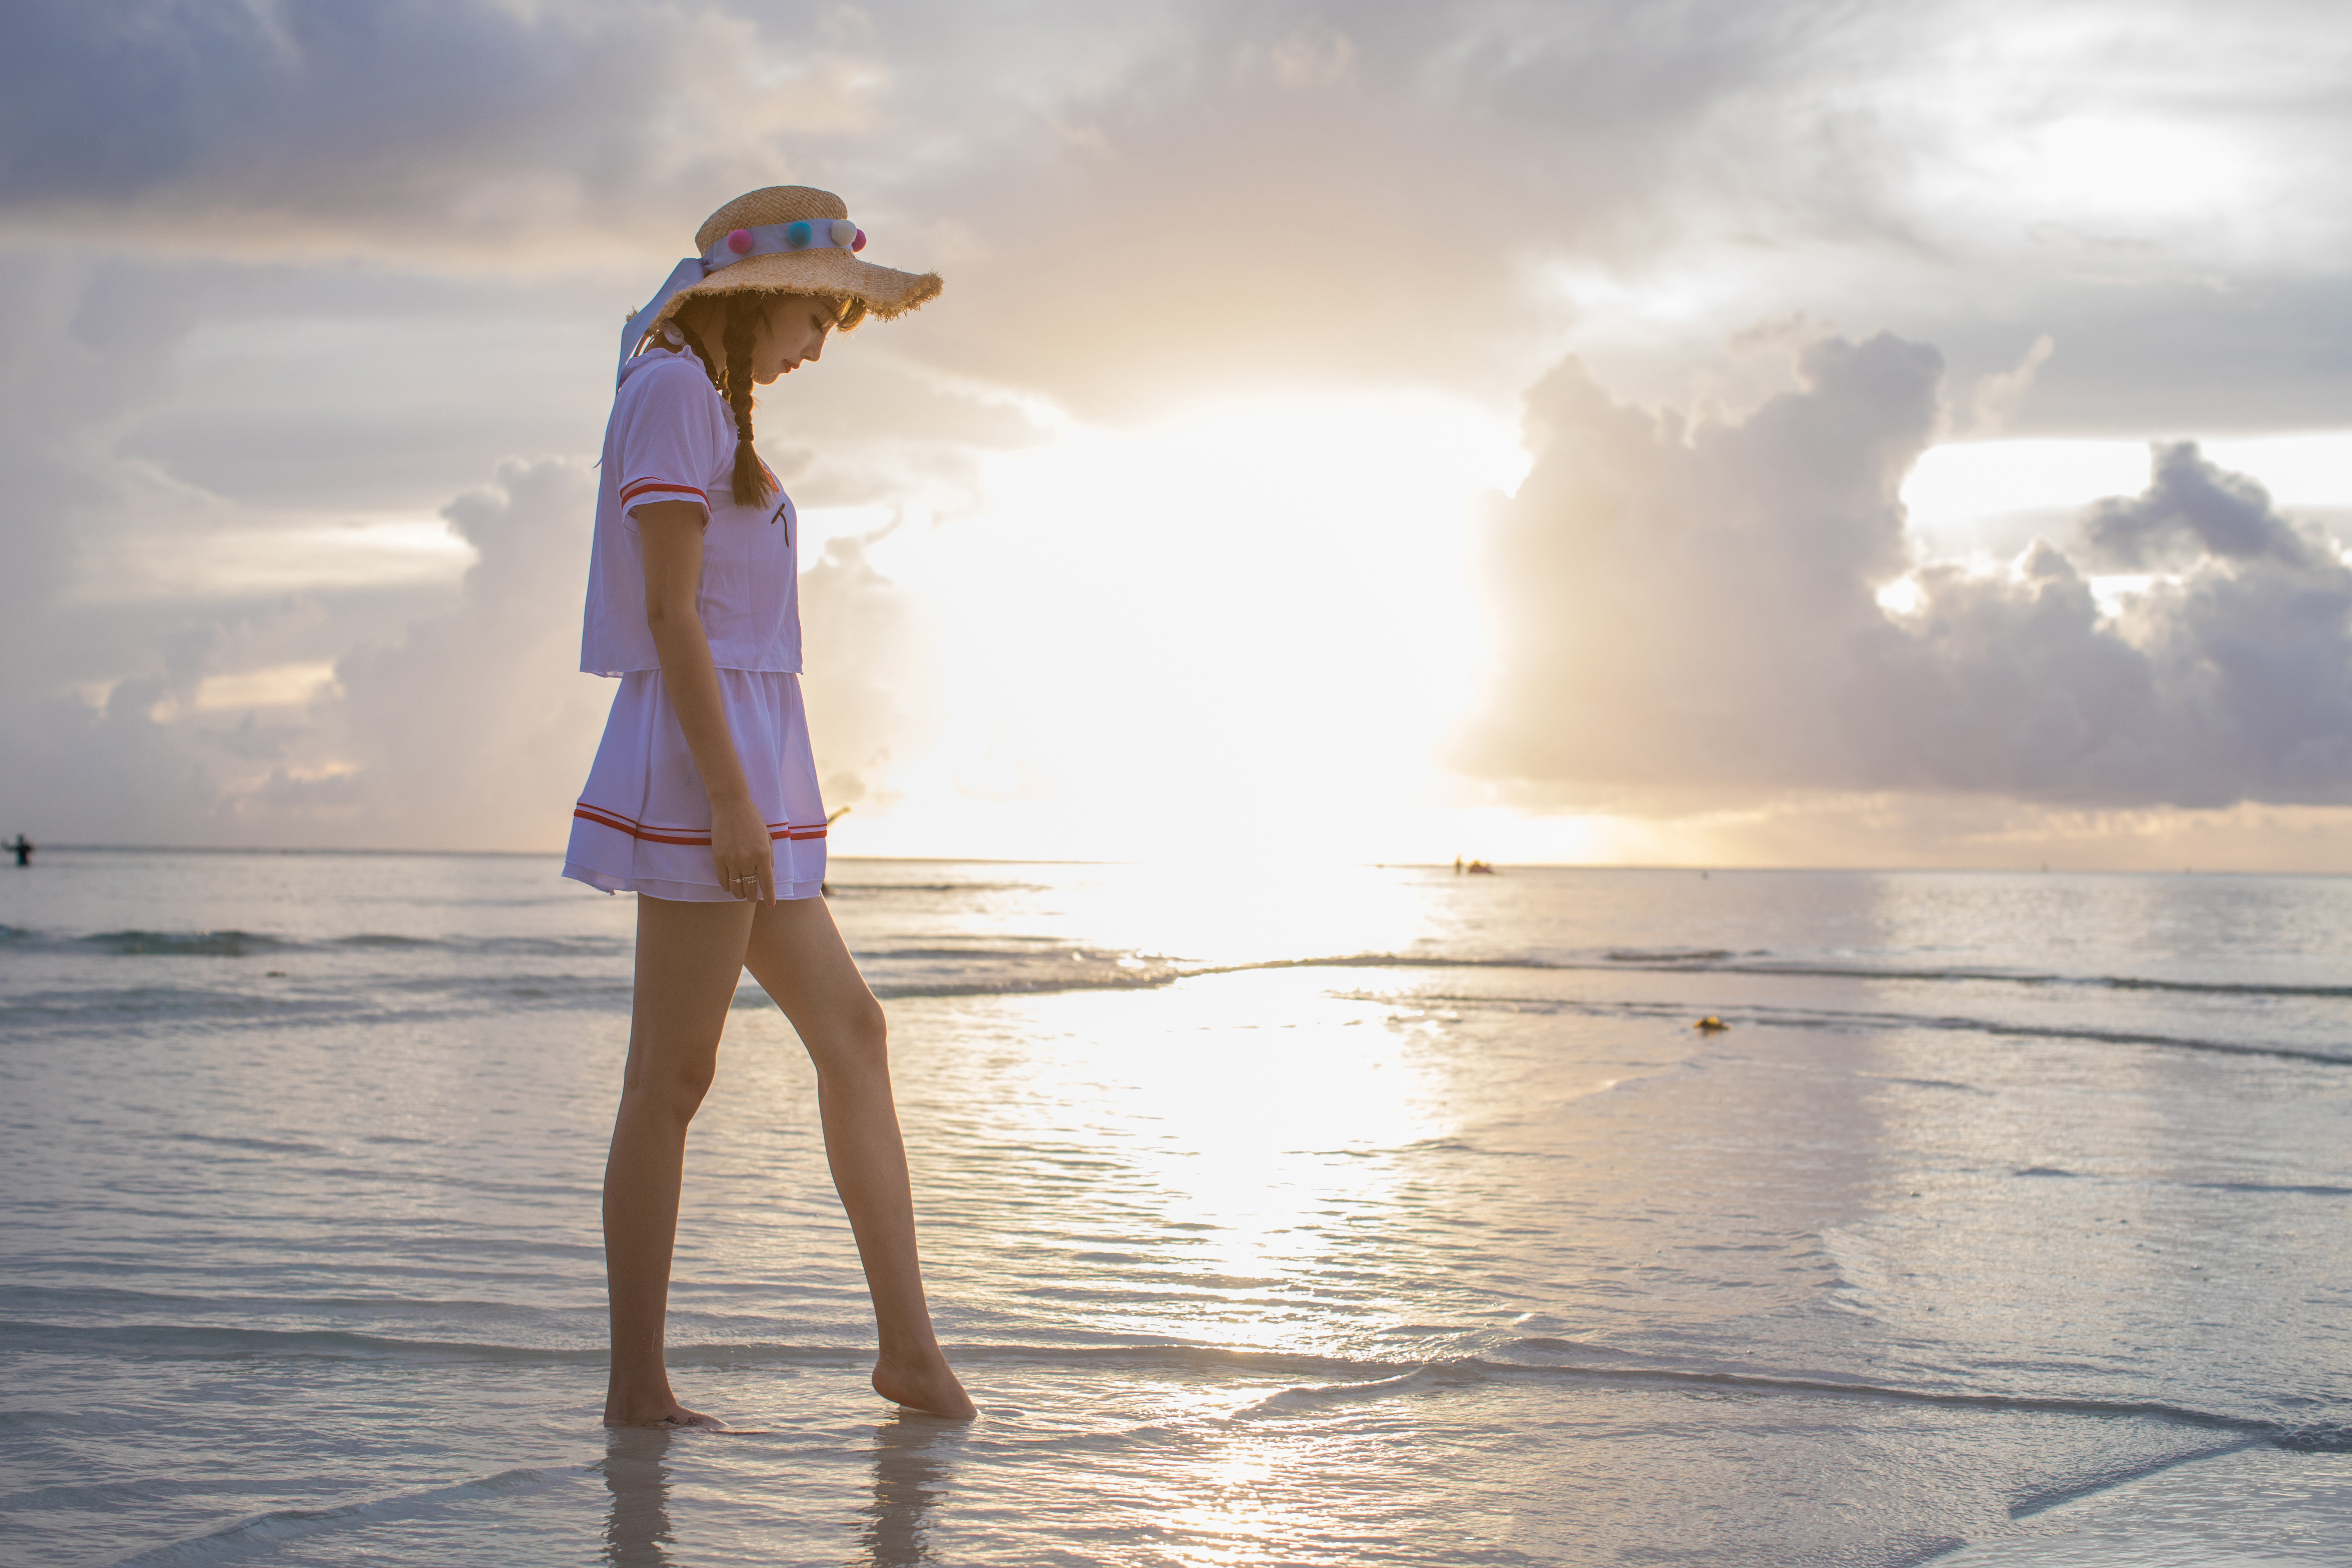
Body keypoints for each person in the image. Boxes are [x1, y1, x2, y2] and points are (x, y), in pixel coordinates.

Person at [562, 185, 973, 1429]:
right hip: (706, 767)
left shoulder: (702, 397)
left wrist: (773, 795)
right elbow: (673, 615)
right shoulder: (674, 393)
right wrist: (736, 801)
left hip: (747, 761)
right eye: (814, 316)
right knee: (671, 1080)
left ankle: (909, 1349)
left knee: (854, 1031)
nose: (816, 347)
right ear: (753, 301)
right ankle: (638, 1384)